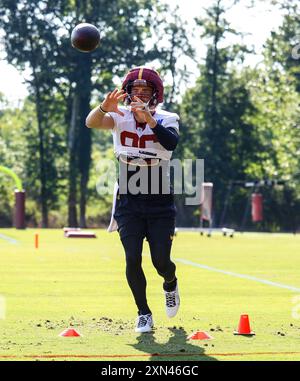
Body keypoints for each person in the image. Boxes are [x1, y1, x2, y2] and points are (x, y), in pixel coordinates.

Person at [86, 67, 180, 333]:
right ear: (127, 93)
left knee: (161, 261)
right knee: (132, 258)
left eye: (145, 91)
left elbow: (171, 143)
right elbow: (91, 122)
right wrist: (104, 107)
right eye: (135, 91)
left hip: (159, 195)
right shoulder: (119, 115)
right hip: (129, 195)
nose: (139, 95)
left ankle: (170, 283)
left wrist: (150, 120)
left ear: (155, 95)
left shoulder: (167, 117)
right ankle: (144, 313)